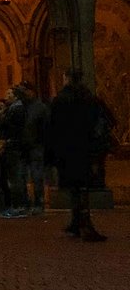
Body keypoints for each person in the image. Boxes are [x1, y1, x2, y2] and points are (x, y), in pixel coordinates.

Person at [46, 69, 110, 242]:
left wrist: (52, 152)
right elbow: (101, 121)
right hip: (86, 149)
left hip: (68, 150)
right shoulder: (89, 99)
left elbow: (53, 127)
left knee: (76, 187)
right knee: (83, 187)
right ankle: (81, 222)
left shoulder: (61, 100)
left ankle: (81, 223)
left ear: (66, 79)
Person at [17, 81, 49, 213]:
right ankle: (26, 202)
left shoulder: (39, 108)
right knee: (22, 175)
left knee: (36, 175)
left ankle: (38, 202)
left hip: (36, 145)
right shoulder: (22, 107)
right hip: (25, 145)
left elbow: (46, 127)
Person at [0, 86, 28, 217]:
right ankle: (18, 205)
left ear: (15, 96)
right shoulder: (14, 108)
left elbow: (9, 126)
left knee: (15, 176)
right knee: (14, 176)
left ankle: (19, 206)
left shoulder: (17, 109)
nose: (6, 95)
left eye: (9, 93)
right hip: (14, 145)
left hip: (14, 145)